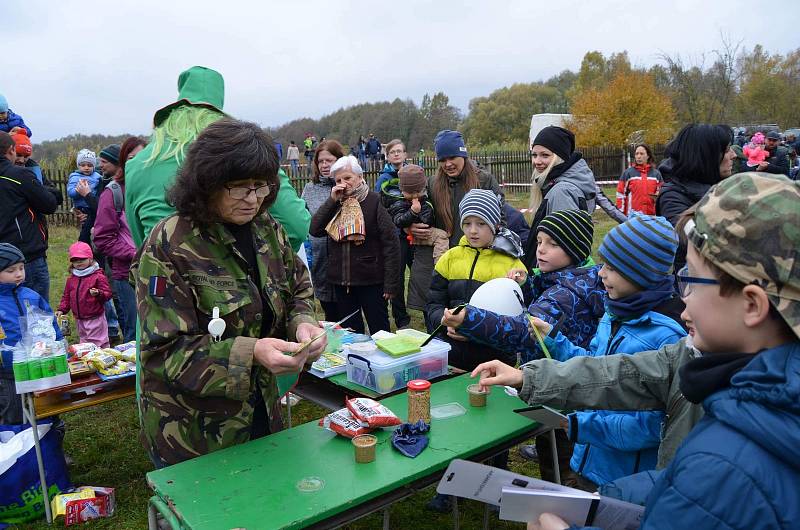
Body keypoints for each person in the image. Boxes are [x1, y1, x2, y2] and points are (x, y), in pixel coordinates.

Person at [515, 172, 800, 529]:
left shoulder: (723, 465)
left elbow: (697, 492)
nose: (683, 299)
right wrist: (611, 499)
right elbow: (622, 373)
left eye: (691, 280)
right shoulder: (721, 372)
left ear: (752, 306)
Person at [132, 119, 325, 467]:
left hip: (261, 411)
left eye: (261, 187)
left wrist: (302, 322)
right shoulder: (170, 245)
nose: (253, 199)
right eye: (239, 188)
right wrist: (252, 352)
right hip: (195, 433)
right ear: (206, 184)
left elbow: (297, 285)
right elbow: (163, 352)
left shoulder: (268, 229)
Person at [524, 214, 685, 491]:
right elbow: (595, 369)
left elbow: (650, 427)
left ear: (640, 273)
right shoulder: (614, 313)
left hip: (624, 482)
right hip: (587, 462)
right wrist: (554, 340)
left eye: (611, 267)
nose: (600, 273)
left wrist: (580, 425)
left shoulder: (667, 337)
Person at [444, 209, 604, 484]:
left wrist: (470, 319)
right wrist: (528, 284)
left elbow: (523, 330)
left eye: (553, 244)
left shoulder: (564, 296)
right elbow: (542, 300)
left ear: (574, 249)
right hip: (567, 388)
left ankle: (562, 509)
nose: (541, 250)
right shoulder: (575, 279)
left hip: (558, 395)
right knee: (557, 448)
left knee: (560, 462)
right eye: (540, 241)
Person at [125, 66, 309, 251]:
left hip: (160, 269)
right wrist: (265, 265)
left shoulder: (138, 163)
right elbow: (295, 226)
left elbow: (140, 238)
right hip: (231, 271)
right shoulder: (239, 149)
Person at [427, 189, 525, 370]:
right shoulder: (449, 258)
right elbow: (434, 304)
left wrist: (522, 283)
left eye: (481, 223)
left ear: (495, 225)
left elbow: (517, 316)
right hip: (452, 354)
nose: (473, 230)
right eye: (467, 223)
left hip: (493, 360)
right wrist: (445, 320)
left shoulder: (511, 264)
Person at [406, 129, 502, 313]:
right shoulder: (432, 183)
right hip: (440, 259)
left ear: (463, 155)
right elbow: (416, 212)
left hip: (475, 259)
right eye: (442, 160)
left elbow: (500, 218)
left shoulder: (484, 180)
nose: (448, 164)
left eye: (452, 157)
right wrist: (410, 226)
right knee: (437, 315)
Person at [308, 156, 400, 334]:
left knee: (379, 331)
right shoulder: (336, 203)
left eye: (348, 178)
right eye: (339, 180)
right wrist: (331, 201)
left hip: (371, 280)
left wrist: (390, 284)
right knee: (351, 333)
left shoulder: (374, 201)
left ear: (360, 177)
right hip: (342, 282)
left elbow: (391, 243)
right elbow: (315, 229)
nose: (344, 183)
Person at [656, 123, 735, 273]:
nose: (734, 155)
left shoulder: (724, 188)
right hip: (695, 285)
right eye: (726, 151)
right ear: (707, 157)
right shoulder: (673, 196)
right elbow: (696, 241)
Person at [0, 244, 63, 425]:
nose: (19, 274)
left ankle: (50, 443)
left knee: (47, 407)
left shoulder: (32, 296)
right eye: (11, 270)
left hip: (39, 364)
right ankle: (17, 447)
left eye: (21, 268)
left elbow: (50, 324)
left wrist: (59, 344)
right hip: (7, 372)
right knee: (13, 412)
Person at [93, 137, 147, 343]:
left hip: (159, 273)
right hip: (127, 275)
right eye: (132, 158)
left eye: (144, 157)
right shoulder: (114, 193)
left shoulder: (155, 189)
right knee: (135, 335)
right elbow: (103, 238)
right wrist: (136, 254)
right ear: (123, 162)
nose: (138, 163)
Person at [522, 126, 598, 272]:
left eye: (545, 155)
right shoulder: (555, 185)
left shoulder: (561, 192)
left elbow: (564, 247)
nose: (537, 161)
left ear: (560, 157)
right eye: (534, 155)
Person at [0, 132, 58, 303]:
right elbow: (49, 204)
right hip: (25, 257)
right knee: (36, 313)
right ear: (11, 150)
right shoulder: (19, 175)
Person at [301, 139, 344, 320]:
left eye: (329, 160)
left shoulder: (347, 186)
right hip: (320, 258)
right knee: (330, 313)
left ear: (339, 160)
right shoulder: (310, 189)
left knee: (347, 312)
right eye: (320, 161)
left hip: (344, 259)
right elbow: (302, 220)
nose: (324, 165)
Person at [375, 139, 413, 329]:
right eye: (393, 152)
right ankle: (402, 319)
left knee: (419, 274)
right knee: (397, 278)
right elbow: (379, 207)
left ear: (405, 154)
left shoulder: (413, 174)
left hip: (415, 234)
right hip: (396, 235)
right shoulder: (384, 179)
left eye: (400, 151)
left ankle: (424, 307)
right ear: (388, 156)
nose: (397, 154)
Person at [383, 164, 449, 263]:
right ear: (402, 190)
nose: (415, 195)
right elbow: (399, 221)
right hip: (416, 235)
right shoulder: (399, 203)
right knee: (441, 236)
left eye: (418, 191)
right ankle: (440, 264)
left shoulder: (424, 198)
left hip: (423, 233)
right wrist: (413, 212)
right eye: (410, 193)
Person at [56, 242, 113, 348]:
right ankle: (89, 360)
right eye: (75, 260)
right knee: (84, 341)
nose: (78, 263)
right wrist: (62, 309)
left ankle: (103, 356)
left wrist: (98, 293)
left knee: (98, 342)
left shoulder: (98, 276)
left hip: (94, 317)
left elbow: (108, 294)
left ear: (90, 259)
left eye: (82, 259)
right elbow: (67, 296)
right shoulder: (72, 279)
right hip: (79, 318)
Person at [68, 149, 103, 244]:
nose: (86, 168)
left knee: (92, 230)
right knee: (86, 229)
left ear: (94, 166)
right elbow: (70, 193)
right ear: (78, 165)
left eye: (90, 165)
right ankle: (82, 245)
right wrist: (79, 190)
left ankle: (85, 245)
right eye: (83, 165)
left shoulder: (98, 176)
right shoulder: (75, 177)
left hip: (93, 206)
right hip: (82, 208)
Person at [615, 144, 662, 216]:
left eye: (642, 154)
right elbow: (620, 194)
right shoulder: (628, 173)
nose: (639, 156)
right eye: (637, 154)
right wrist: (620, 214)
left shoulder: (656, 174)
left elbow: (661, 194)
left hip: (652, 217)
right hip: (632, 217)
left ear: (648, 156)